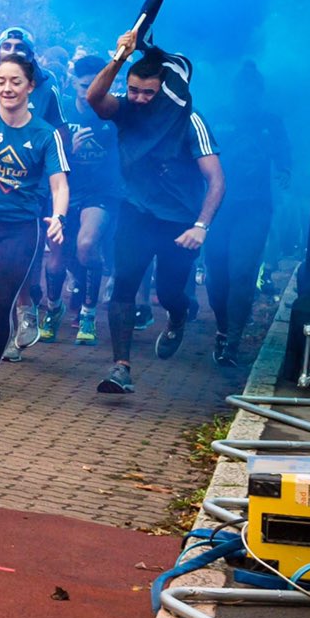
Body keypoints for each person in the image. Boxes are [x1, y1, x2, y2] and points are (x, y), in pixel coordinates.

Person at [83, 34, 225, 396]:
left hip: (181, 223)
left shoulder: (190, 121)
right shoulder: (126, 111)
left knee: (169, 291)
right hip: (136, 212)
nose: (140, 99)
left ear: (163, 90)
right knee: (124, 283)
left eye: (149, 93)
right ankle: (121, 367)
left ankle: (178, 316)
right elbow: (94, 99)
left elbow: (217, 181)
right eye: (134, 91)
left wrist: (201, 226)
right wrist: (118, 58)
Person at [0, 56, 69, 401]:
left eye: (15, 81)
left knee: (2, 301)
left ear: (30, 87)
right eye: (0, 81)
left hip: (21, 228)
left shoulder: (45, 133)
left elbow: (59, 184)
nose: (7, 88)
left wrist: (59, 216)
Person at [204, 61, 288, 367]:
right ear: (234, 91)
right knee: (216, 277)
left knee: (241, 271)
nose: (247, 95)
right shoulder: (218, 117)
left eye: (253, 90)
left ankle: (233, 341)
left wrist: (284, 173)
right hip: (218, 206)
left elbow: (284, 160)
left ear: (260, 92)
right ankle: (223, 327)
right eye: (242, 89)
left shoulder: (271, 122)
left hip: (255, 207)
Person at [43, 55, 119, 345]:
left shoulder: (112, 112)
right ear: (73, 83)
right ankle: (52, 310)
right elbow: (48, 156)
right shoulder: (61, 111)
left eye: (94, 86)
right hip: (64, 190)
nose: (88, 93)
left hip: (101, 193)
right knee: (57, 256)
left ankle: (88, 314)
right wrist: (69, 151)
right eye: (83, 86)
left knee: (87, 245)